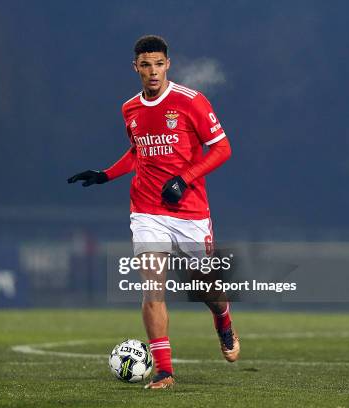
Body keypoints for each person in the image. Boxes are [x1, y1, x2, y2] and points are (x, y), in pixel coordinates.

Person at [68, 35, 238, 389]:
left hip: (190, 210)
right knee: (152, 288)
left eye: (158, 64)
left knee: (205, 286)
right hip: (147, 209)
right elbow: (137, 153)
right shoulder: (129, 108)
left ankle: (223, 320)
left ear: (168, 65)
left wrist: (185, 178)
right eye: (145, 65)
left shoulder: (191, 102)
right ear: (136, 68)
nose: (152, 72)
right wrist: (105, 175)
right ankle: (165, 371)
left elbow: (222, 148)